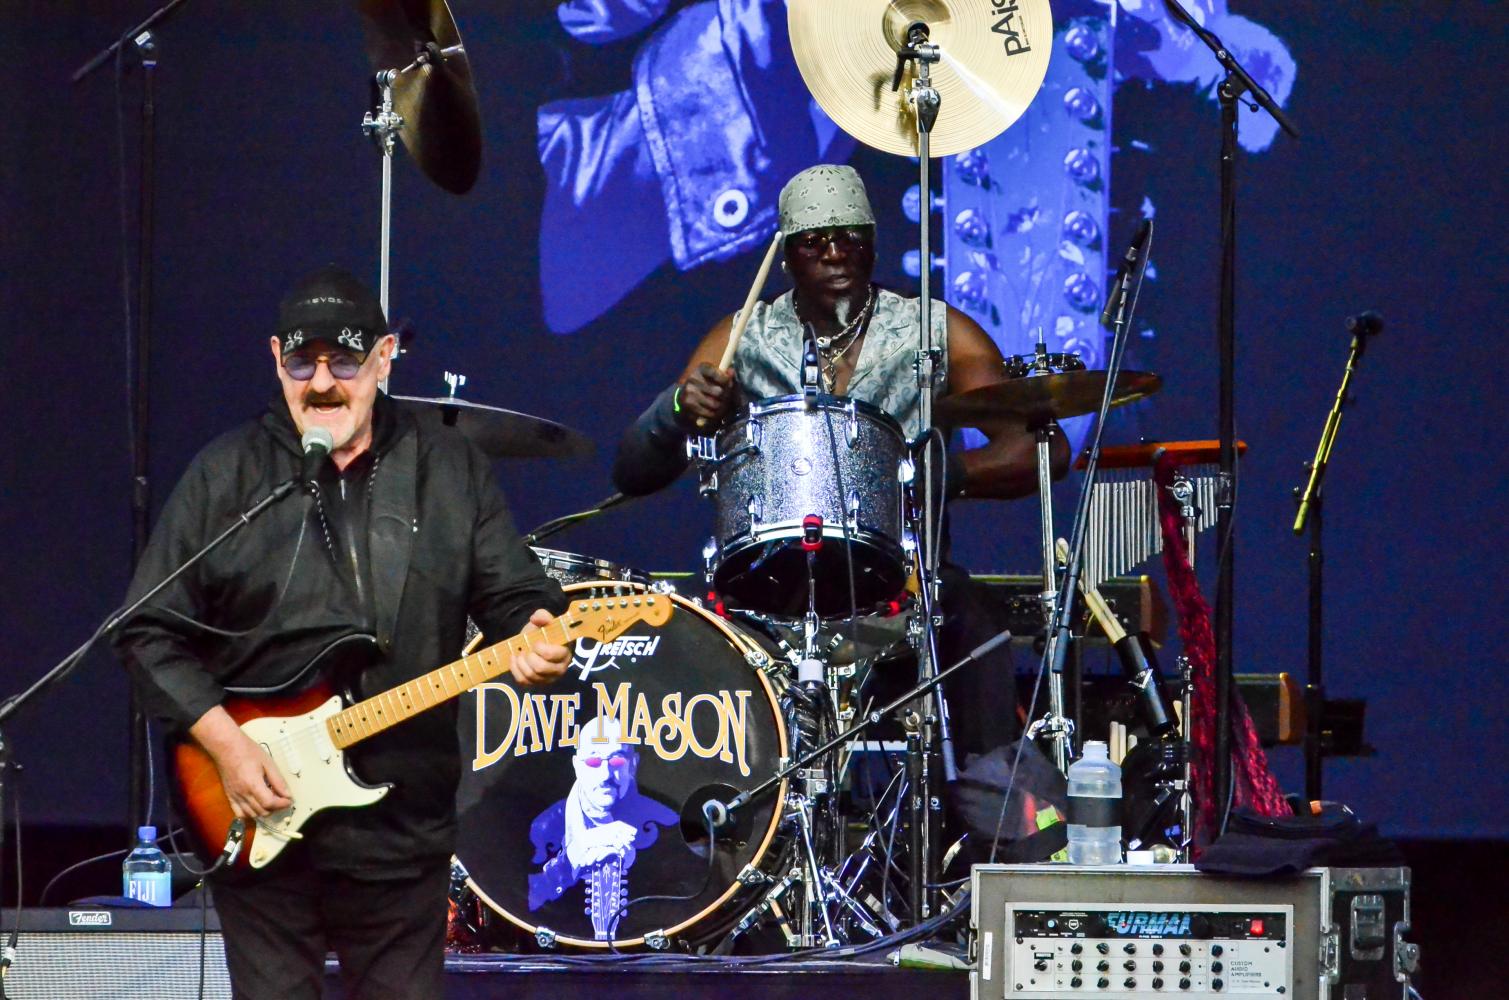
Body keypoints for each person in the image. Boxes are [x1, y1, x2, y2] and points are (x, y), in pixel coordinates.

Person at [112, 265, 572, 1000]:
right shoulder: (227, 474)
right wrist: (228, 746)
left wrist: (535, 632)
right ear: (275, 358)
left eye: (345, 360)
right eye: (302, 361)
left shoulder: (446, 468)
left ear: (385, 359)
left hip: (401, 833)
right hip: (255, 822)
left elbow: (514, 593)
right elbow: (144, 629)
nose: (321, 382)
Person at [611, 163, 1069, 759]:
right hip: (770, 582)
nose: (836, 253)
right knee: (706, 639)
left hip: (904, 581)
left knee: (973, 620)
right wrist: (676, 408)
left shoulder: (930, 331)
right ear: (786, 257)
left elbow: (1041, 445)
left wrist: (945, 476)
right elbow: (633, 472)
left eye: (852, 237)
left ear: (873, 246)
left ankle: (991, 816)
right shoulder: (745, 334)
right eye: (814, 241)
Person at [527, 715, 678, 922]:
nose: (606, 774)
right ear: (577, 766)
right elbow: (522, 902)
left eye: (617, 760)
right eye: (593, 761)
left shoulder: (666, 825)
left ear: (632, 765)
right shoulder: (542, 830)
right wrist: (570, 859)